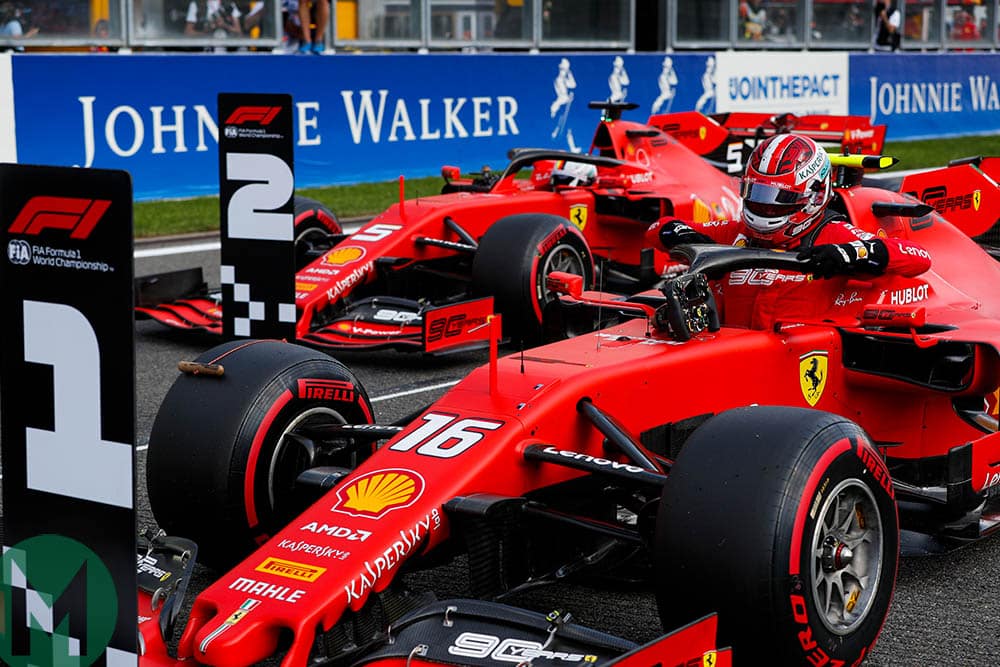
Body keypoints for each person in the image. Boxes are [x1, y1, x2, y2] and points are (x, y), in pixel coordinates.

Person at [646, 134, 931, 330]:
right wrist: (681, 236)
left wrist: (848, 254)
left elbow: (918, 256)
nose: (765, 206)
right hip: (726, 353)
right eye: (758, 193)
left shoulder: (833, 235)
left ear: (815, 195)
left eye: (778, 198)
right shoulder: (736, 233)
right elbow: (657, 228)